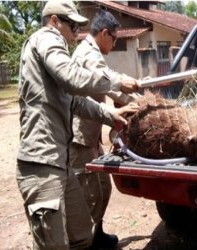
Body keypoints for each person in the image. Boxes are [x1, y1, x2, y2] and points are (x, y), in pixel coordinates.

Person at [16, 0, 140, 249]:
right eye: (72, 27)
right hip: (41, 163)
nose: (76, 34)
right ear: (54, 21)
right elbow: (73, 79)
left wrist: (111, 115)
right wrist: (115, 82)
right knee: (55, 243)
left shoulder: (56, 56)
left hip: (59, 162)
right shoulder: (46, 39)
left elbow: (75, 102)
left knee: (82, 234)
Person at [69, 9, 138, 249]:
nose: (116, 43)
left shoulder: (93, 51)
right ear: (105, 33)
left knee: (103, 188)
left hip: (92, 136)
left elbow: (109, 80)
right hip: (79, 139)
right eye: (115, 38)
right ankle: (85, 242)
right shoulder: (88, 53)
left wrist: (134, 97)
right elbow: (105, 79)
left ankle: (96, 234)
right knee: (88, 195)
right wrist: (138, 102)